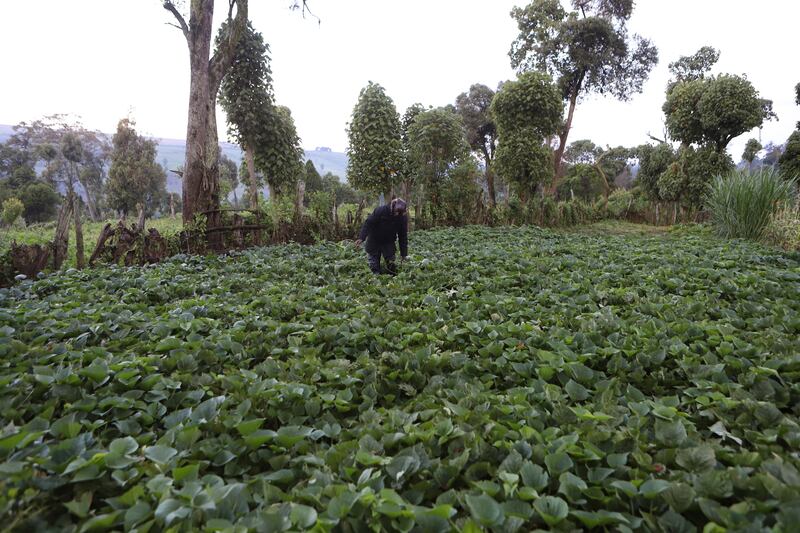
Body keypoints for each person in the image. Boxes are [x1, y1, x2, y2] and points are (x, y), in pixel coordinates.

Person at [356, 198, 408, 275]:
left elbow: (403, 236)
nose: (397, 214)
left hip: (388, 242)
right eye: (396, 212)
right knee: (373, 266)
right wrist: (361, 238)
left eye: (399, 213)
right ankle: (376, 280)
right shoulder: (381, 211)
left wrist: (403, 254)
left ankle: (391, 280)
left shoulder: (402, 218)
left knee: (391, 265)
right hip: (374, 240)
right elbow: (368, 223)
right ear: (392, 207)